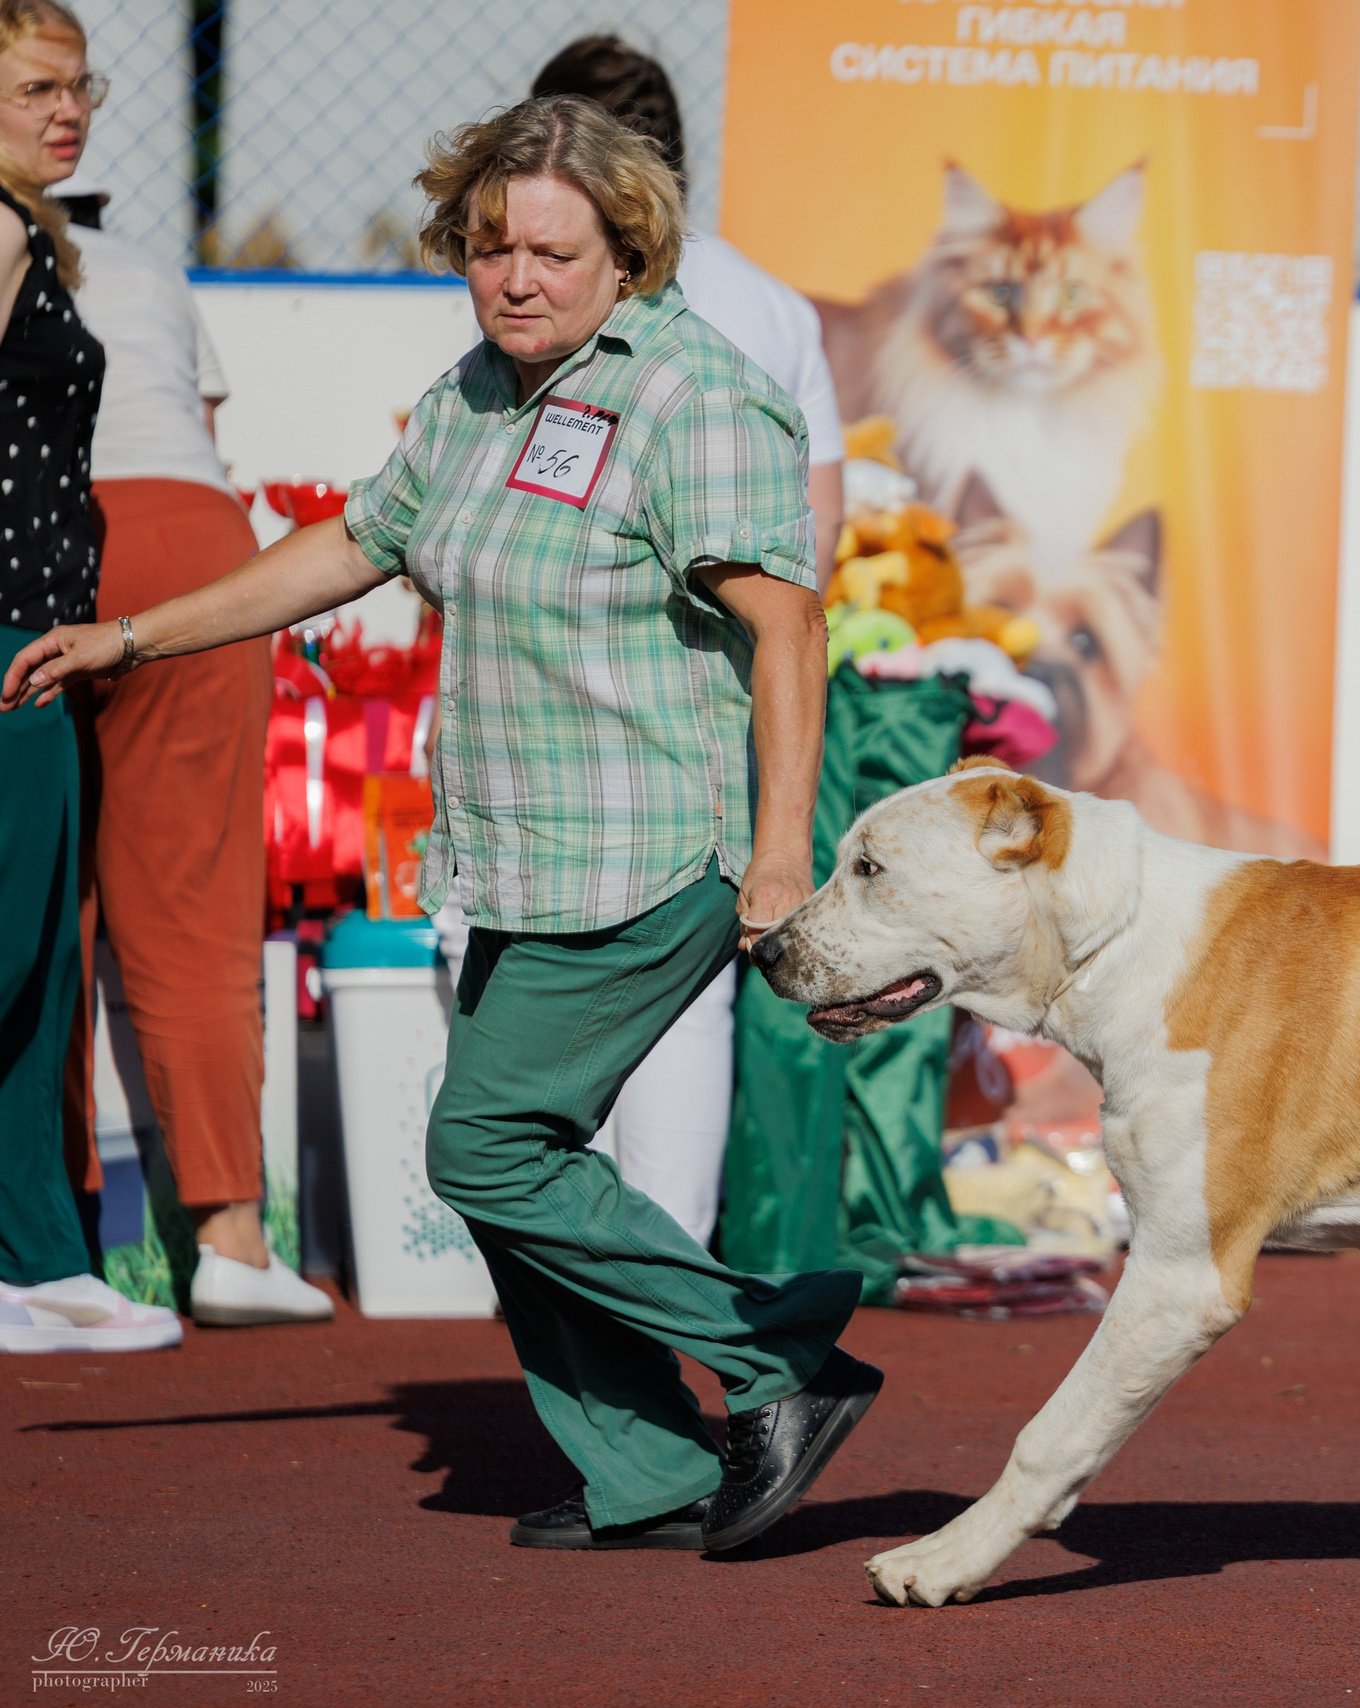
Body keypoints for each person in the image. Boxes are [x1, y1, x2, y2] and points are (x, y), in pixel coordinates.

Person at [3, 94, 879, 1550]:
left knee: (484, 1145)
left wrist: (782, 856)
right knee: (515, 1170)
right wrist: (133, 635)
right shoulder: (479, 390)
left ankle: (774, 1357)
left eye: (548, 249)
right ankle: (648, 1471)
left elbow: (788, 634)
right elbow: (355, 543)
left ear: (626, 252)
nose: (515, 276)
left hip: (654, 852)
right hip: (515, 857)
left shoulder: (694, 394)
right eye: (488, 248)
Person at [530, 32, 845, 1250]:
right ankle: (664, 1288)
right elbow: (819, 537)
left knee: (534, 1020)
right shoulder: (772, 303)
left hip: (563, 710)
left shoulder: (548, 284)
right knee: (679, 1003)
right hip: (714, 711)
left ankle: (587, 1301)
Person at [59, 160, 332, 1327]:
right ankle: (229, 1237)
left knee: (35, 908)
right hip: (192, 542)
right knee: (195, 910)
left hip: (49, 542)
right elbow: (203, 436)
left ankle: (50, 1238)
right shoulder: (145, 269)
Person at [0, 0, 177, 1354]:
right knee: (10, 959)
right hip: (6, 642)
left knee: (35, 972)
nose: (75, 111)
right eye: (41, 88)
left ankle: (41, 1259)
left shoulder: (33, 234)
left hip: (35, 637)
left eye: (84, 86)